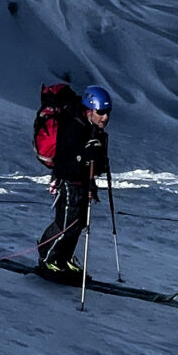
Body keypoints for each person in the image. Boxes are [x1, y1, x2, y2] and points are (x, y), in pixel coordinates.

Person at [38, 85, 112, 276]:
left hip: (83, 181)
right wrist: (84, 156)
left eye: (107, 112)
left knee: (80, 222)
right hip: (69, 181)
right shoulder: (73, 126)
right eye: (101, 112)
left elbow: (96, 163)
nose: (105, 117)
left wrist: (97, 159)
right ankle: (48, 258)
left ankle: (64, 257)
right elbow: (64, 162)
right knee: (67, 223)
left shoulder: (94, 129)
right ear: (90, 109)